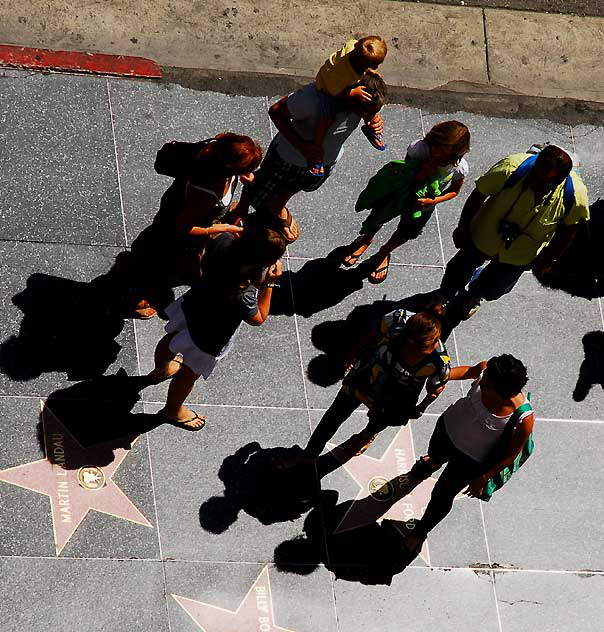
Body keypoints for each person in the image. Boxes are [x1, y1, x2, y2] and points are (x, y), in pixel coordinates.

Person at [426, 144, 589, 319]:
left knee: (496, 287)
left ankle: (474, 296)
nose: (535, 182)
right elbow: (479, 194)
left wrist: (549, 259)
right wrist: (463, 227)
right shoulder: (510, 168)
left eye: (544, 182)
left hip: (521, 253)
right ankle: (444, 295)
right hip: (484, 235)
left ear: (559, 181)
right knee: (459, 268)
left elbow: (569, 229)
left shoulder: (575, 195)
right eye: (535, 173)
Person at [146, 227, 286, 429]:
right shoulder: (243, 291)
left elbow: (209, 241)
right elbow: (258, 318)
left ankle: (160, 369)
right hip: (210, 336)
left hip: (193, 307)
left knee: (170, 340)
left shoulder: (224, 241)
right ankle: (172, 410)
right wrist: (270, 284)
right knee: (189, 373)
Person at [281, 308, 452, 467]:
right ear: (406, 339)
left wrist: (420, 408)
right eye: (411, 348)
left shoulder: (439, 362)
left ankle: (367, 435)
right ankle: (310, 453)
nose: (408, 356)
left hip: (397, 396)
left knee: (379, 420)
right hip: (367, 375)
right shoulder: (397, 319)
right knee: (335, 414)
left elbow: (435, 388)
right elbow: (371, 336)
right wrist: (352, 355)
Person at [400, 354, 534, 554]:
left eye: (487, 382)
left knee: (442, 496)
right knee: (435, 453)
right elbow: (469, 371)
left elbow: (510, 456)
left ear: (503, 391)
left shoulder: (523, 418)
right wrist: (441, 377)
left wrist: (483, 478)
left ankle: (420, 532)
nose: (482, 379)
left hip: (470, 461)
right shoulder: (485, 372)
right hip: (447, 429)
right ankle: (433, 462)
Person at [124, 133, 263, 319]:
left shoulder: (218, 147)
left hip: (179, 224)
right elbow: (181, 227)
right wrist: (223, 228)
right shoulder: (206, 192)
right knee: (156, 267)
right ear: (229, 169)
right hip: (173, 239)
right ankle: (135, 297)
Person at [235, 74, 387, 243]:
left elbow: (372, 108)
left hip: (325, 160)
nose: (364, 115)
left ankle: (277, 207)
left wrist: (374, 118)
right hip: (288, 157)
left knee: (297, 185)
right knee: (259, 181)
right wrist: (303, 147)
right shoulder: (311, 100)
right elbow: (276, 111)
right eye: (364, 112)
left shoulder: (363, 102)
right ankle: (241, 208)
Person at [340, 121, 470, 283]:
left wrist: (433, 200)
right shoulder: (419, 149)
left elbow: (454, 191)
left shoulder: (459, 168)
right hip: (400, 194)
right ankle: (367, 238)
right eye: (435, 153)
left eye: (445, 159)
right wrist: (423, 171)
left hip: (424, 205)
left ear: (458, 155)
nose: (438, 159)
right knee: (380, 215)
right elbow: (403, 174)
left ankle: (384, 252)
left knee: (407, 231)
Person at [310, 35, 388, 175]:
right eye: (369, 65)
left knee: (372, 96)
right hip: (327, 91)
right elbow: (333, 92)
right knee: (326, 119)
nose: (375, 68)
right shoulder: (337, 70)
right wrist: (352, 92)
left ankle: (371, 123)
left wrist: (369, 71)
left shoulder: (355, 48)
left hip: (348, 81)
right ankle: (316, 151)